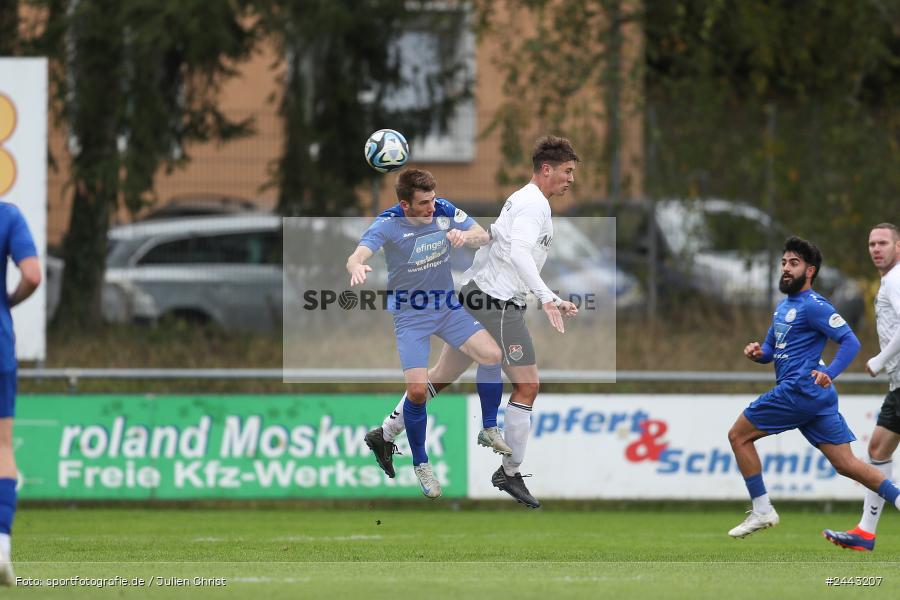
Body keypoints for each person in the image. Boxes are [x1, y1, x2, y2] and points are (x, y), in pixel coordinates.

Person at [365, 136, 581, 509]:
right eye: (567, 171)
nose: (570, 179)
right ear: (546, 169)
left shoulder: (525, 199)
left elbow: (493, 235)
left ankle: (385, 434)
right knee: (527, 385)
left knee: (436, 379)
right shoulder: (532, 205)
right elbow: (518, 254)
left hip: (481, 294)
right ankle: (509, 470)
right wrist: (547, 298)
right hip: (495, 300)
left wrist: (469, 235)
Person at [727, 236, 900, 539]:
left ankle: (763, 509)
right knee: (847, 464)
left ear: (810, 270)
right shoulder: (783, 308)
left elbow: (850, 341)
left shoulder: (814, 306)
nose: (786, 269)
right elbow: (771, 349)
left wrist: (830, 372)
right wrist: (758, 354)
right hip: (814, 398)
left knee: (738, 436)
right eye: (783, 263)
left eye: (794, 263)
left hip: (799, 390)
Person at [347, 168, 503, 499]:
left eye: (433, 199)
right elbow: (359, 253)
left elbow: (483, 234)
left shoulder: (444, 209)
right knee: (417, 391)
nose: (432, 207)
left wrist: (466, 237)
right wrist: (357, 265)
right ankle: (421, 463)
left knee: (492, 356)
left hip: (447, 308)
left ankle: (489, 427)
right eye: (424, 203)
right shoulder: (388, 223)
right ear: (405, 205)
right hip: (411, 317)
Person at [823, 223, 900, 551]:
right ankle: (865, 533)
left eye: (883, 242)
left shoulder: (896, 279)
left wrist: (880, 359)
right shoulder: (890, 280)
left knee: (878, 449)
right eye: (871, 243)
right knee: (879, 449)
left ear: (899, 246)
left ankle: (866, 531)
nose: (876, 249)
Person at [0, 202, 41, 585]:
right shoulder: (8, 216)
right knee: (2, 447)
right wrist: (7, 302)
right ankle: (0, 545)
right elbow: (32, 275)